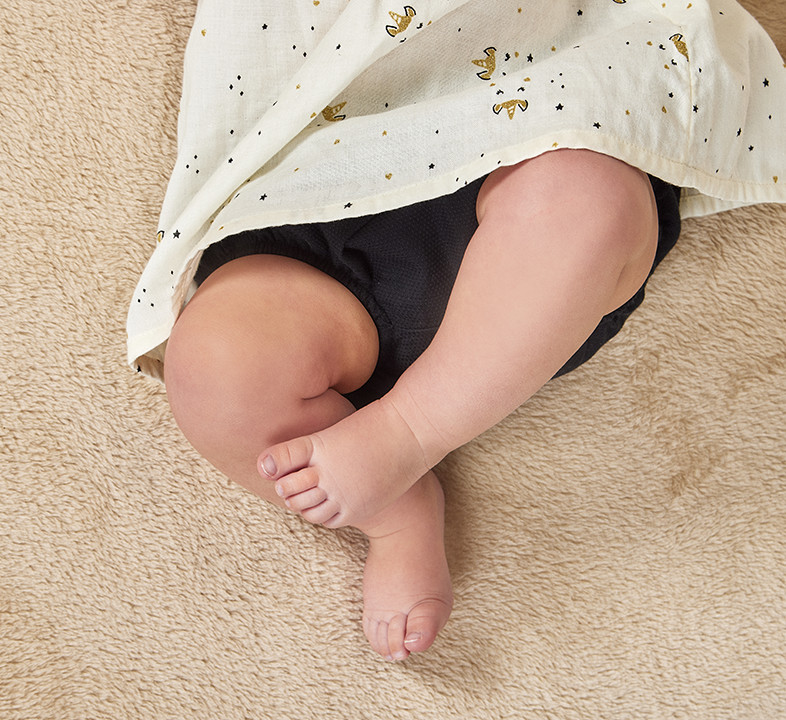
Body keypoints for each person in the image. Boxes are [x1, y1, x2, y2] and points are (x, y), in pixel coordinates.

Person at [127, 0, 786, 662]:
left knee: (592, 202)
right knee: (215, 360)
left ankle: (407, 432)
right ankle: (397, 513)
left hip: (543, 101)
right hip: (319, 160)